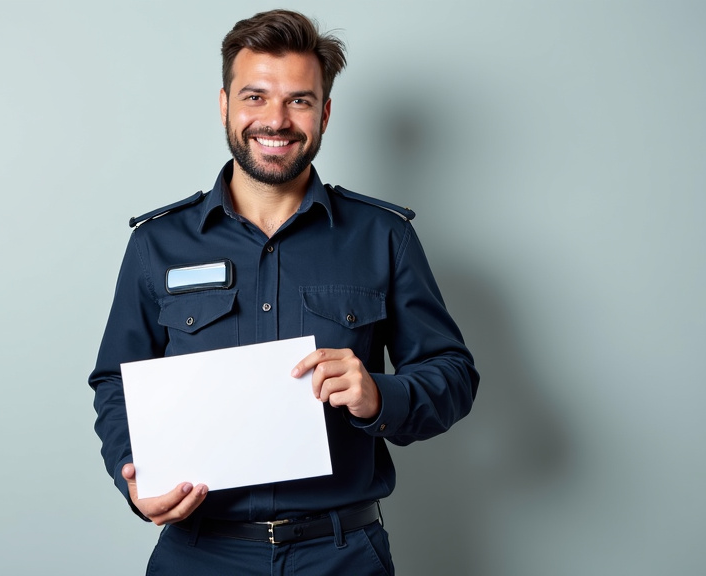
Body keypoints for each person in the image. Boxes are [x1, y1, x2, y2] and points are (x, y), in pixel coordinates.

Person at [88, 9, 479, 575]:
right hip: (200, 554)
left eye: (298, 100)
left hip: (342, 556)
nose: (276, 120)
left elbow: (453, 373)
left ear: (324, 112)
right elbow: (113, 382)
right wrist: (134, 474)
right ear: (224, 104)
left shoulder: (383, 237)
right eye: (255, 96)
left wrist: (379, 396)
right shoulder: (158, 244)